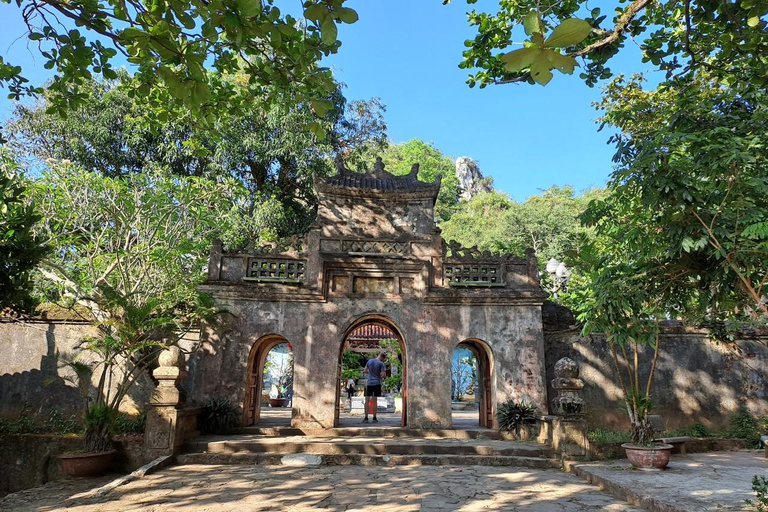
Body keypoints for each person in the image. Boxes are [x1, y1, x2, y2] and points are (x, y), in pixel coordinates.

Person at [362, 352, 387, 423]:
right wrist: (382, 376)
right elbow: (383, 375)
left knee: (367, 400)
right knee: (375, 400)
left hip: (369, 383)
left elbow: (365, 370)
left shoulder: (369, 361)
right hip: (377, 383)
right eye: (383, 359)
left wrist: (370, 373)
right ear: (382, 358)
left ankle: (366, 418)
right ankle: (374, 418)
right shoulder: (381, 364)